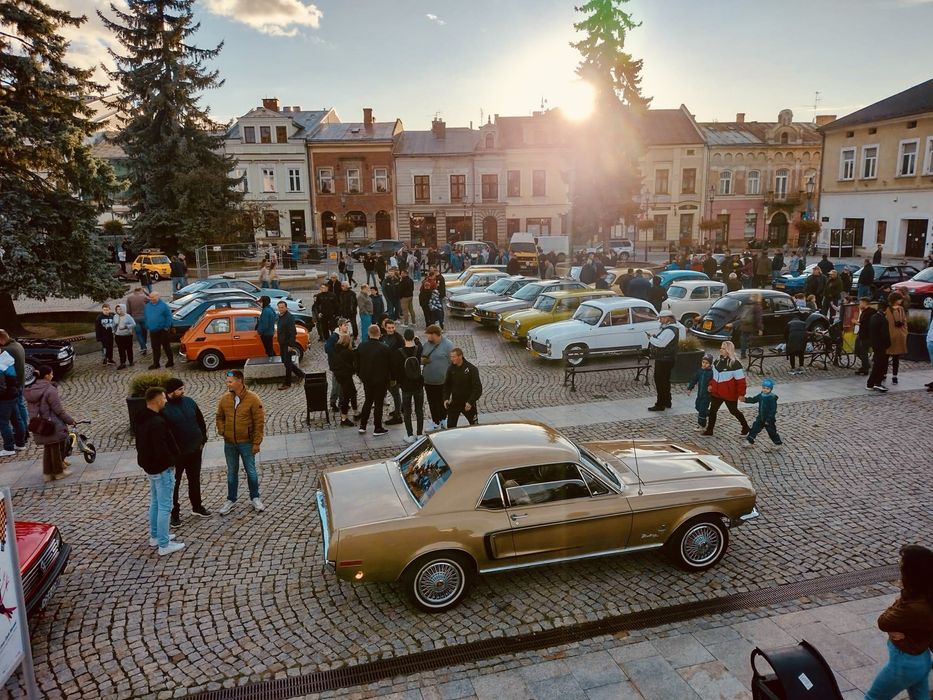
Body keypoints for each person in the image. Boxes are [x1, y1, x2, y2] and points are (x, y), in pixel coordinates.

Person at [864, 544, 933, 700]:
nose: (900, 571)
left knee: (872, 698)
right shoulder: (927, 596)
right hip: (922, 660)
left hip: (904, 665)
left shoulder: (914, 606)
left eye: (902, 567)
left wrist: (900, 598)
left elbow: (884, 621)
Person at [134, 387, 185, 555]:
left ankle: (155, 536)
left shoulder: (141, 418)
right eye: (163, 398)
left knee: (155, 502)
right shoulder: (157, 423)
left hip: (150, 468)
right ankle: (164, 545)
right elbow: (161, 448)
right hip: (162, 469)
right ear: (156, 401)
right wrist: (171, 462)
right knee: (165, 506)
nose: (165, 400)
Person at [161, 378, 210, 527]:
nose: (183, 392)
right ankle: (174, 514)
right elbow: (164, 433)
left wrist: (202, 440)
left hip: (195, 450)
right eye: (180, 389)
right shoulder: (164, 408)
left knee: (194, 479)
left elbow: (200, 421)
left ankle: (197, 506)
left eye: (183, 389)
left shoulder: (189, 401)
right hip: (177, 455)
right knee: (174, 485)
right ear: (171, 392)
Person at [216, 370, 266, 514]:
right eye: (227, 381)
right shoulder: (225, 399)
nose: (227, 384)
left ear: (240, 381)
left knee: (251, 471)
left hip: (246, 443)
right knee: (231, 472)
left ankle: (255, 498)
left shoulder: (253, 399)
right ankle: (231, 499)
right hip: (229, 443)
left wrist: (256, 443)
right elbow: (219, 416)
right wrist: (222, 431)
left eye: (230, 381)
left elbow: (259, 422)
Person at [701, 341, 751, 437]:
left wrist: (741, 394)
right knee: (712, 411)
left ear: (728, 350)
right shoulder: (717, 362)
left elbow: (741, 381)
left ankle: (745, 427)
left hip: (729, 394)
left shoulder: (735, 364)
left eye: (723, 348)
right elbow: (714, 377)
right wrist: (711, 385)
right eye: (721, 348)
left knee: (734, 411)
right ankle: (709, 430)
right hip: (717, 393)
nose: (721, 349)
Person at [355, 325, 391, 437]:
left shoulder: (361, 347)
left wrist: (360, 375)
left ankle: (363, 426)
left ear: (369, 333)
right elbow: (389, 366)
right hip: (381, 380)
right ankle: (377, 427)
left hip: (367, 379)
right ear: (379, 333)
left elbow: (356, 364)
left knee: (368, 401)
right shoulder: (384, 348)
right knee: (378, 404)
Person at [392, 328, 425, 443]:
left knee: (407, 411)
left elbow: (396, 371)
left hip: (406, 386)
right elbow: (420, 345)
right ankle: (420, 434)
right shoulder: (419, 348)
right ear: (413, 337)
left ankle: (410, 435)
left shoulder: (399, 352)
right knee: (419, 410)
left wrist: (400, 382)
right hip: (418, 384)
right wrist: (417, 340)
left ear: (404, 338)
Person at [0, 330, 29, 451]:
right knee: (18, 413)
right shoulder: (17, 344)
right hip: (18, 384)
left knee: (10, 418)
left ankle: (14, 441)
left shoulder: (7, 351)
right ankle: (21, 438)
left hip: (11, 388)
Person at [421, 325, 453, 430]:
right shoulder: (426, 345)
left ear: (435, 334)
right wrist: (423, 360)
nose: (427, 337)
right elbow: (421, 358)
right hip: (429, 381)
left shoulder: (448, 345)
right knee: (432, 402)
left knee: (443, 401)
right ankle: (436, 422)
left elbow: (452, 362)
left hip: (443, 381)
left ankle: (444, 419)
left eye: (429, 335)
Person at [647, 310, 679, 411]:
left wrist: (651, 338)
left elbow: (661, 344)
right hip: (667, 359)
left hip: (664, 359)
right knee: (665, 381)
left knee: (660, 381)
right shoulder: (670, 329)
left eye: (661, 318)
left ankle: (660, 404)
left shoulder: (669, 330)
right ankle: (667, 401)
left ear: (667, 318)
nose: (660, 320)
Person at [444, 348, 482, 428]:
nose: (452, 359)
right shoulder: (451, 369)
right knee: (450, 427)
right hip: (455, 402)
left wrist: (470, 402)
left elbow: (478, 389)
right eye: (451, 357)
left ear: (460, 356)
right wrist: (446, 398)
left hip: (468, 403)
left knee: (475, 426)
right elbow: (447, 385)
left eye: (454, 357)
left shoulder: (472, 369)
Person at [741, 378, 782, 449]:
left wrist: (769, 419)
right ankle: (749, 441)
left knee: (772, 432)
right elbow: (754, 399)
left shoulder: (772, 398)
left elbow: (773, 410)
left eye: (767, 388)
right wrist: (745, 399)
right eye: (764, 388)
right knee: (754, 429)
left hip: (769, 420)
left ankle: (778, 443)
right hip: (760, 417)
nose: (765, 390)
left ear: (771, 389)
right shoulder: (761, 395)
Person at [0, 349, 25, 457]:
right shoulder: (7, 359)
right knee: (17, 420)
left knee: (3, 422)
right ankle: (20, 444)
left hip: (4, 398)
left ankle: (9, 447)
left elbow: (1, 388)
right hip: (13, 393)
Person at [275, 300, 305, 390]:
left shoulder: (289, 317)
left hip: (287, 344)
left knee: (287, 363)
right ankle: (301, 374)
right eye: (279, 307)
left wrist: (290, 345)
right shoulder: (280, 316)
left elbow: (293, 332)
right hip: (282, 343)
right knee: (285, 361)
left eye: (282, 307)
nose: (280, 309)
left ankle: (287, 383)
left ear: (286, 307)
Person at [331, 333, 358, 427]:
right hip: (346, 376)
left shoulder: (336, 350)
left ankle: (356, 412)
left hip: (340, 376)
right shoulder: (348, 352)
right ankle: (344, 418)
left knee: (353, 392)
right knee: (347, 397)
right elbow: (353, 365)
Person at [143, 291, 174, 370]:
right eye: (150, 297)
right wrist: (147, 325)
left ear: (158, 297)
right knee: (155, 347)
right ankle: (156, 363)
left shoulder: (164, 306)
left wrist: (166, 326)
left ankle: (170, 361)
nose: (151, 299)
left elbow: (169, 316)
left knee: (166, 346)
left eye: (153, 297)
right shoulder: (147, 306)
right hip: (153, 330)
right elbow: (146, 316)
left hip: (162, 330)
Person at [867, 298, 890, 392]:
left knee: (878, 364)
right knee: (880, 365)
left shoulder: (874, 317)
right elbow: (885, 335)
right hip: (881, 345)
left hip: (875, 344)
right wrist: (888, 344)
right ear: (886, 309)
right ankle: (874, 383)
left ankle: (874, 383)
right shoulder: (883, 320)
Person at [885, 292, 908, 385]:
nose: (901, 301)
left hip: (898, 336)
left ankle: (893, 376)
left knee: (895, 358)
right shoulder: (887, 309)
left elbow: (904, 321)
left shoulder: (900, 309)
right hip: (890, 336)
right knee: (887, 357)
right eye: (900, 299)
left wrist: (904, 331)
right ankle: (885, 374)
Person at [687, 354, 714, 431]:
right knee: (697, 406)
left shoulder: (711, 373)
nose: (704, 364)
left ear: (710, 364)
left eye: (707, 363)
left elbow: (714, 382)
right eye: (703, 362)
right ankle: (709, 413)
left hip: (707, 395)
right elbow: (694, 380)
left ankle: (702, 425)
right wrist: (690, 388)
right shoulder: (699, 371)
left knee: (702, 410)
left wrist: (711, 386)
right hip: (700, 394)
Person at [854, 297, 875, 375]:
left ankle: (865, 367)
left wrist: (856, 322)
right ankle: (866, 365)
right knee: (858, 350)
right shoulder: (864, 312)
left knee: (863, 351)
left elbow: (866, 324)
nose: (859, 305)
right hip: (861, 334)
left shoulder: (870, 312)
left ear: (864, 303)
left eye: (860, 303)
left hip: (866, 336)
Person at [738, 294, 763, 359]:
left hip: (744, 325)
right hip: (752, 326)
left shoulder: (746, 304)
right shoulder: (757, 306)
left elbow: (741, 314)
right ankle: (754, 351)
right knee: (754, 338)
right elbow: (758, 318)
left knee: (743, 339)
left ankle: (743, 354)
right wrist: (760, 328)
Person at [124, 287, 149, 354]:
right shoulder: (144, 297)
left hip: (134, 318)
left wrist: (129, 319)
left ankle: (143, 347)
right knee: (144, 332)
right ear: (141, 290)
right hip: (144, 317)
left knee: (138, 333)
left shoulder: (129, 298)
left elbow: (128, 310)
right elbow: (152, 299)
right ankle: (144, 344)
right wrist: (146, 292)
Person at [113, 304, 136, 369]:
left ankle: (131, 361)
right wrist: (113, 331)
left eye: (120, 309)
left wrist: (126, 327)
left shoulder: (128, 316)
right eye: (117, 309)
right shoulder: (115, 316)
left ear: (123, 309)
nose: (118, 311)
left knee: (129, 349)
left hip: (127, 335)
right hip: (118, 336)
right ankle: (122, 363)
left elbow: (134, 324)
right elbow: (114, 325)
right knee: (121, 350)